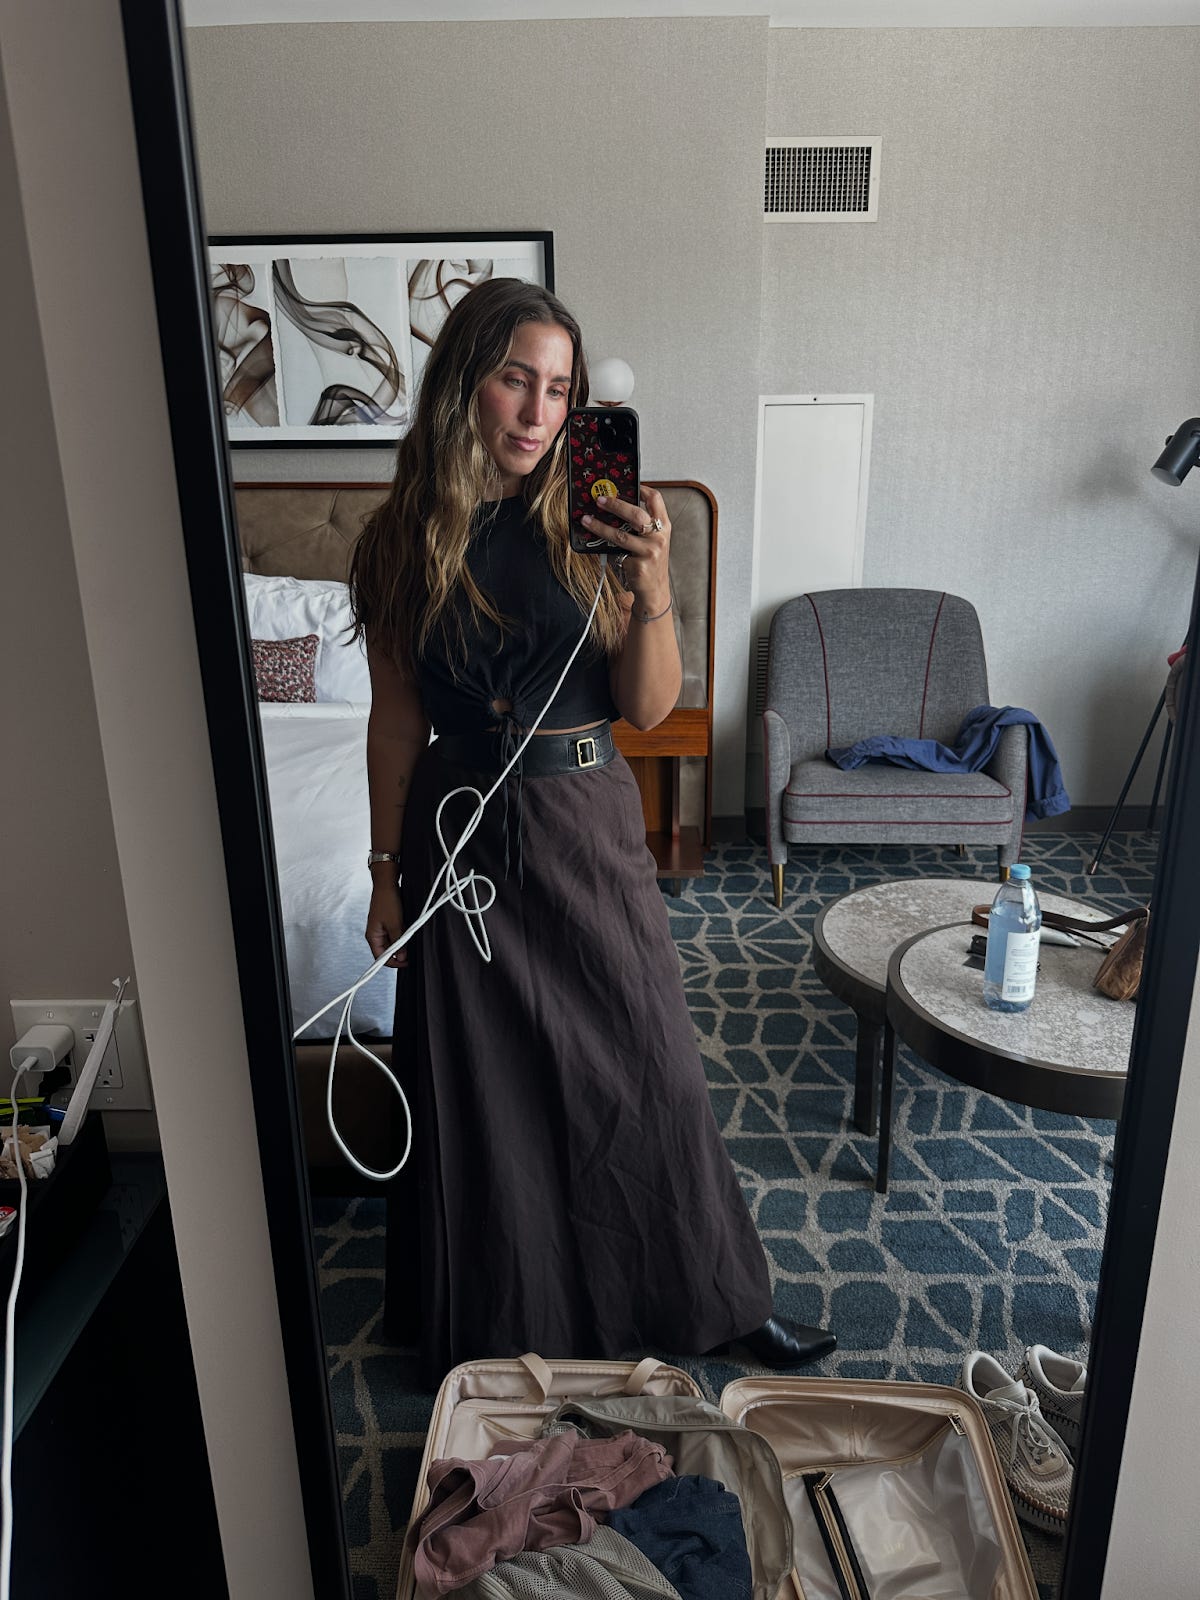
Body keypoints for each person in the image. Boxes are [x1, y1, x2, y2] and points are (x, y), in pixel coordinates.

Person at [349, 278, 836, 1385]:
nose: (538, 412)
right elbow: (395, 722)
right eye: (516, 380)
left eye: (560, 389)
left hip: (584, 820)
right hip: (460, 838)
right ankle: (506, 1321)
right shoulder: (397, 542)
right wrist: (383, 871)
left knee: (648, 1064)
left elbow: (649, 708)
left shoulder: (589, 518)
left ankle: (715, 1301)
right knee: (488, 1090)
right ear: (465, 384)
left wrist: (653, 581)